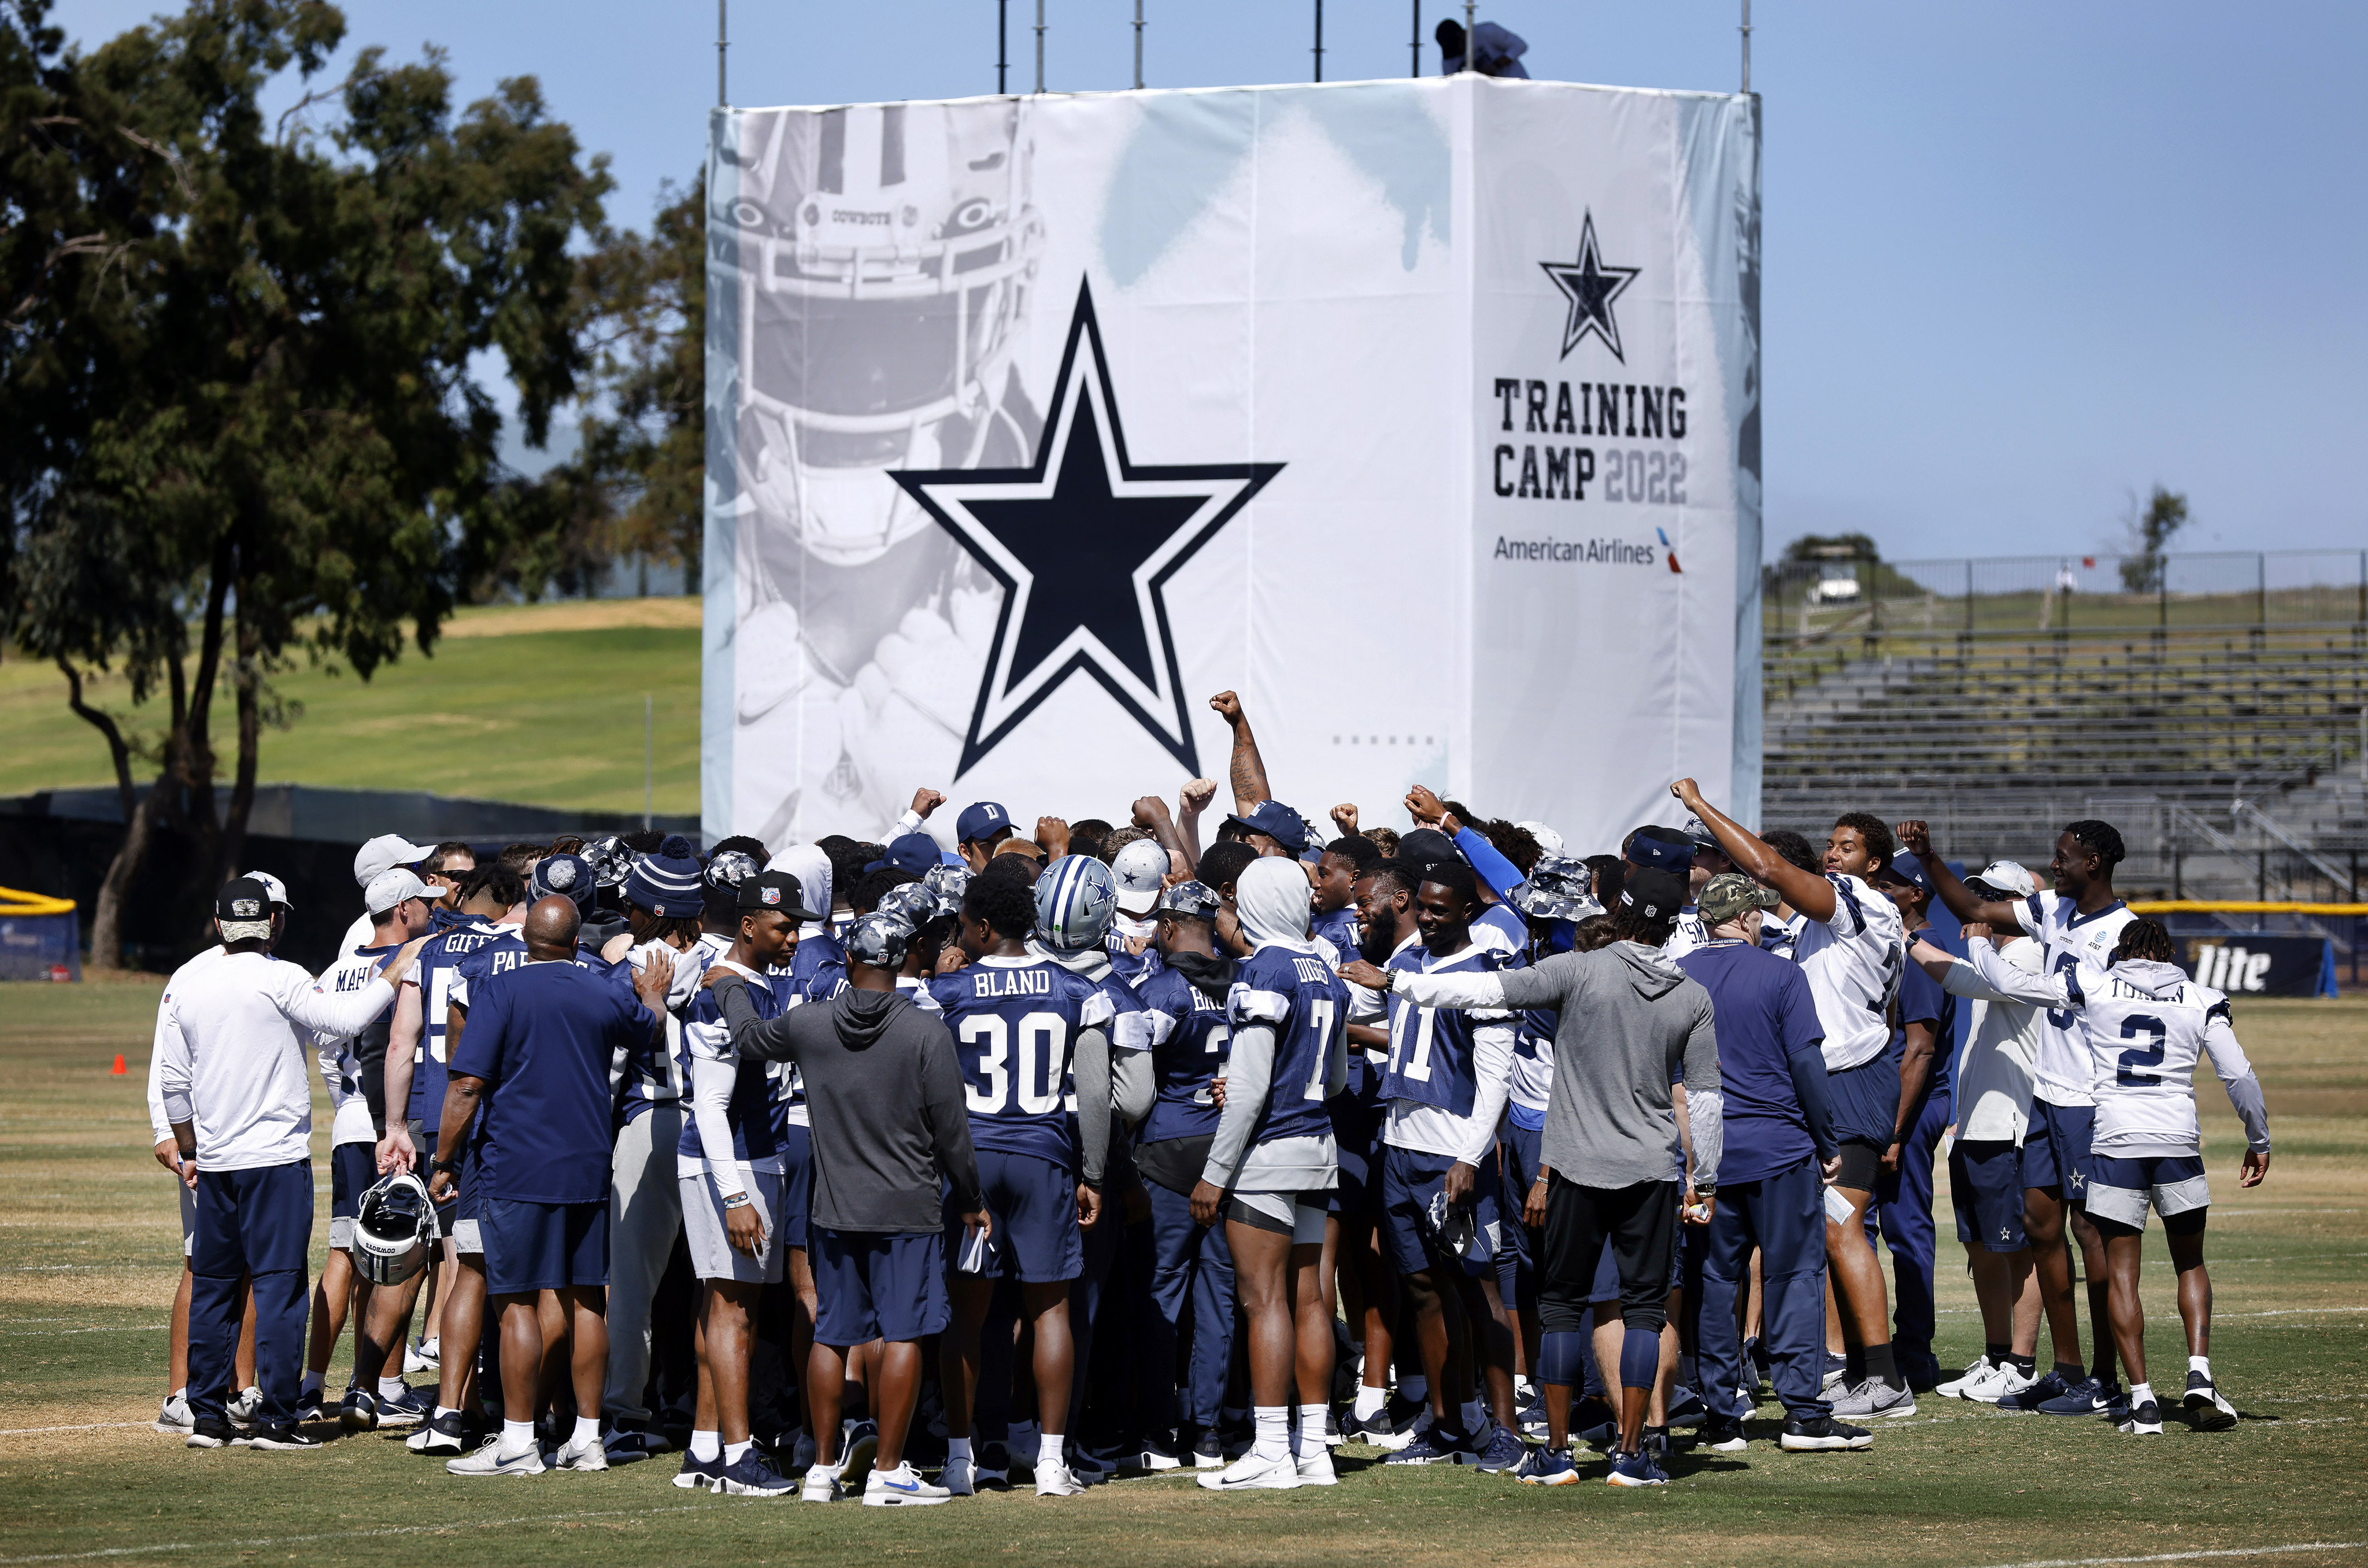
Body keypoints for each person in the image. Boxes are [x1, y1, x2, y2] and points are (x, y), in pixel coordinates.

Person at [1343, 864, 1720, 1489]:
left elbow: (1482, 992)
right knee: (1645, 1312)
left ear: (1620, 915)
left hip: (1573, 1165)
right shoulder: (1691, 995)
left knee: (1561, 1308)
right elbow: (1705, 1100)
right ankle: (1631, 1453)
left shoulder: (1578, 968)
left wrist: (1396, 983)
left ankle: (1559, 1452)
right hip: (1651, 1170)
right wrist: (1702, 1180)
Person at [1911, 916, 2269, 1434]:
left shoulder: (2097, 983)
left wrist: (1983, 946)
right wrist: (2259, 1140)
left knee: (2123, 1270)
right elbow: (2238, 1074)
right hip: (2176, 1141)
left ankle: (2142, 1401)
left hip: (2116, 1139)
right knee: (2190, 1261)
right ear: (2169, 954)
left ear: (2123, 952)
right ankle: (2199, 1372)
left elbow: (2012, 983)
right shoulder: (2202, 996)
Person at [712, 907, 989, 1505]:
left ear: (850, 961)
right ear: (904, 960)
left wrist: (731, 983)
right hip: (907, 1206)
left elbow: (749, 1039)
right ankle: (889, 1469)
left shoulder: (810, 1023)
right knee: (904, 1335)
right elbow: (952, 1132)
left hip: (832, 1208)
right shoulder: (924, 1032)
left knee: (832, 1336)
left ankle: (820, 1468)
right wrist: (970, 1198)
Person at [1673, 779, 1912, 1420]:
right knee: (1819, 1231)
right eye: (1831, 846)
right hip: (1834, 1075)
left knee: (1838, 1227)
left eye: (1848, 847)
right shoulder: (1825, 923)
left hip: (1850, 1077)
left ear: (1874, 864)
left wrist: (1699, 808)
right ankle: (1845, 1367)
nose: (1834, 855)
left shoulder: (1856, 903)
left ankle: (1884, 1378)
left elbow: (1767, 868)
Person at [159, 878, 427, 1449]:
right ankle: (279, 1417)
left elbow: (174, 1085)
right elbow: (348, 1020)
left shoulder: (190, 986)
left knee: (213, 1286)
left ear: (218, 924)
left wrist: (189, 1151)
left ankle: (207, 1415)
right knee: (280, 1288)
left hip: (218, 1161)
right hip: (275, 1160)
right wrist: (396, 968)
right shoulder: (281, 976)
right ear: (270, 923)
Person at [1899, 816, 2137, 1418]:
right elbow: (1962, 906)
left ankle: (2106, 1377)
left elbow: (2014, 984)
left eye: (2064, 857)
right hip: (2043, 1100)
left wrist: (1971, 941)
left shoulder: (2120, 931)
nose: (2055, 864)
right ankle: (2066, 1371)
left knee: (2091, 1237)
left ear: (2095, 863)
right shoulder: (2054, 912)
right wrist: (1928, 858)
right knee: (2041, 1232)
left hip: (2086, 1097)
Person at [432, 896, 674, 1476]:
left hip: (518, 1165)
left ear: (527, 942)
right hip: (590, 1163)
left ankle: (518, 1442)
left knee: (516, 1297)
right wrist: (653, 994)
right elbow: (650, 1030)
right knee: (586, 1295)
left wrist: (443, 1158)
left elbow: (467, 1084)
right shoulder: (603, 990)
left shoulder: (502, 990)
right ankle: (587, 1437)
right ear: (573, 942)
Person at [928, 866, 1117, 1498]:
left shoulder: (947, 992)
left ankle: (960, 1459)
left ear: (981, 927)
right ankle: (1051, 1464)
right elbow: (1094, 1092)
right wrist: (1092, 1171)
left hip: (973, 1160)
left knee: (968, 1312)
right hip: (1043, 1154)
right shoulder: (1076, 988)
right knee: (1051, 1310)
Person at [1673, 874, 1867, 1455]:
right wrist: (1827, 1140)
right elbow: (1806, 1064)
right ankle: (1803, 1412)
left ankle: (1720, 1414)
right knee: (1793, 1279)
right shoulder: (1783, 973)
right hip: (1779, 1149)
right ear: (1751, 918)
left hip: (1705, 1153)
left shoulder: (1678, 973)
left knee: (1714, 1280)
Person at [1190, 857, 1350, 1492]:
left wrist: (1214, 1172)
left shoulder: (1263, 970)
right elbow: (1334, 1079)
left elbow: (1252, 1087)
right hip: (1318, 1146)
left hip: (1267, 1154)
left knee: (1264, 1303)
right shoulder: (1326, 971)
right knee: (1311, 1299)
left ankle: (1270, 1451)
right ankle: (1312, 1450)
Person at [1370, 863, 1524, 1473]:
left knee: (1480, 1288)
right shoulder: (1406, 964)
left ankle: (1507, 1427)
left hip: (1452, 1154)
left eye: (1440, 910)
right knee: (1423, 1291)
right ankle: (1447, 1425)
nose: (1427, 918)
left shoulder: (1486, 976)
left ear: (1467, 912)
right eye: (1423, 908)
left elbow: (1496, 1079)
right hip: (1400, 1146)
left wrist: (1469, 1156)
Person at [671, 870, 809, 1497]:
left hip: (743, 1162)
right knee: (735, 1315)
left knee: (721, 1309)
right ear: (749, 924)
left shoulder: (747, 985)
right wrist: (733, 1196)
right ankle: (736, 1455)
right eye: (783, 926)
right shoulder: (721, 992)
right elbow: (708, 1107)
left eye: (799, 926)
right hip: (730, 1165)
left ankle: (704, 1451)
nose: (793, 938)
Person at [302, 869, 434, 1425]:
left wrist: (350, 1109)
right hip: (391, 1128)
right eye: (425, 900)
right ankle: (374, 1386)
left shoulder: (336, 969)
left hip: (350, 1122)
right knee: (401, 1257)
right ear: (403, 909)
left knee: (343, 1254)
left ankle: (311, 1386)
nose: (433, 906)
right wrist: (392, 1125)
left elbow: (328, 1053)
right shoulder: (415, 959)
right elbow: (397, 1047)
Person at [1925, 861, 2048, 1403]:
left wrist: (1920, 941)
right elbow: (1959, 976)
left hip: (2010, 1126)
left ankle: (2021, 1364)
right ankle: (1997, 1356)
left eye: (1991, 898)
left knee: (2017, 1250)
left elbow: (1971, 976)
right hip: (1976, 1125)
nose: (1979, 908)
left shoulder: (2025, 955)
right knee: (1981, 1250)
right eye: (1977, 895)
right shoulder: (1992, 956)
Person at [1131, 881, 1238, 1469]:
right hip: (1229, 1151)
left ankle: (1156, 1431)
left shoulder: (1165, 988)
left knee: (1163, 1291)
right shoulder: (1244, 981)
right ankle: (1208, 1431)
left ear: (1170, 928)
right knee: (1220, 1296)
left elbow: (1137, 1078)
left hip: (1170, 1149)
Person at [1866, 853, 1958, 1391]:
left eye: (1891, 884)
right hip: (1891, 1104)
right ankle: (1874, 1344)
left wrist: (1895, 1132)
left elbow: (1919, 1052)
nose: (1881, 889)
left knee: (1906, 1230)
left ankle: (1914, 1350)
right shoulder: (1896, 942)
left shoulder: (1925, 954)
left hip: (1911, 1111)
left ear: (1917, 893)